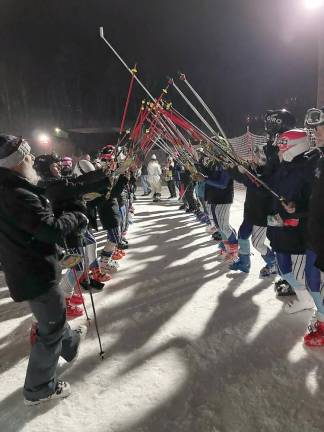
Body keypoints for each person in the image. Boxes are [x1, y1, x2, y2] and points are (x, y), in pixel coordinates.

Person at [0, 134, 88, 405]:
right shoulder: (18, 194)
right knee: (50, 330)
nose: (30, 158)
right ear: (16, 161)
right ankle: (38, 389)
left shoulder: (10, 188)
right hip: (34, 273)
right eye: (26, 155)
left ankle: (70, 344)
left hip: (26, 267)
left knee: (54, 314)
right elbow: (49, 231)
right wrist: (76, 215)